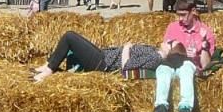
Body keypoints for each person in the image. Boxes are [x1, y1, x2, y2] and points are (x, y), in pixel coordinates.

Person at [153, 0, 215, 112]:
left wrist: (204, 46)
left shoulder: (205, 32)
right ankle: (161, 106)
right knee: (162, 69)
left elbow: (205, 65)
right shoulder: (173, 27)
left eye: (183, 15)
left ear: (193, 12)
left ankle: (185, 109)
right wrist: (167, 48)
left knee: (186, 67)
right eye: (178, 15)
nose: (180, 19)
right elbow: (164, 51)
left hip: (190, 65)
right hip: (172, 62)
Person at [32, 31, 162, 81]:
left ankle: (49, 70)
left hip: (103, 64)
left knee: (69, 37)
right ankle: (48, 65)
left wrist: (126, 48)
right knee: (72, 38)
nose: (167, 40)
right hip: (103, 56)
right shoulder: (154, 51)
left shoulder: (155, 57)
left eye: (171, 43)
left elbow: (126, 66)